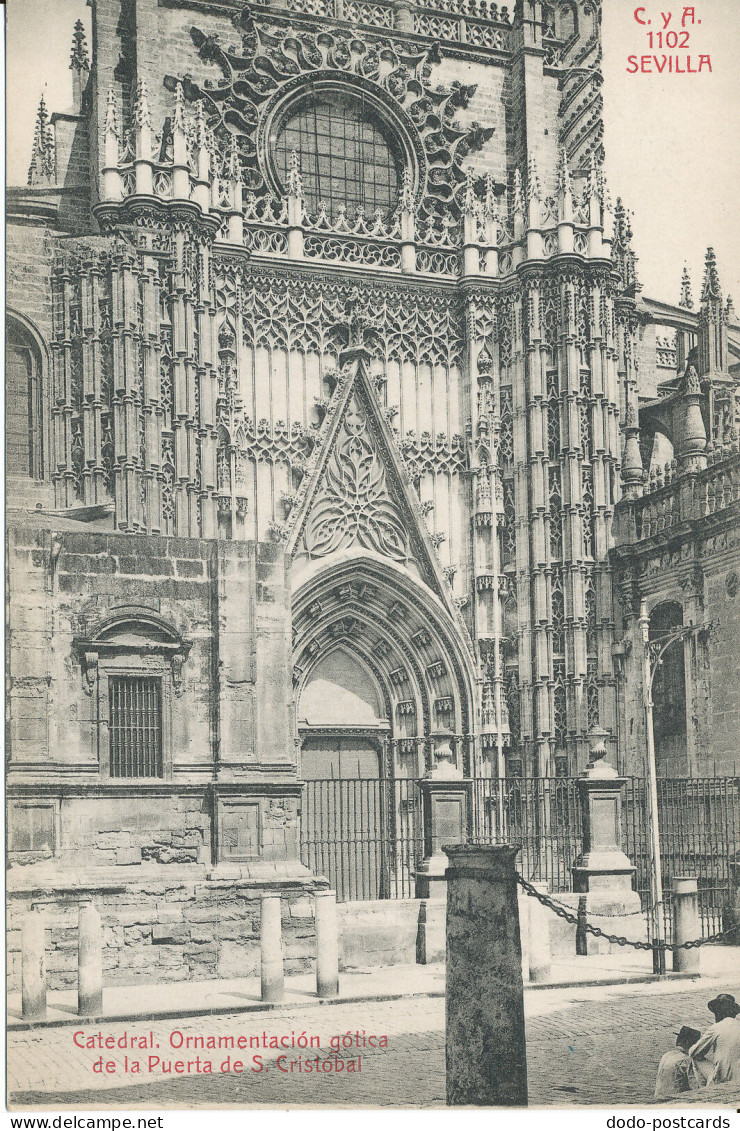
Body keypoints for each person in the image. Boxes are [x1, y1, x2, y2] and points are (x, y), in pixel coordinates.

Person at [689, 993, 740, 1086]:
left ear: (718, 1012)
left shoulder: (716, 1028)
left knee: (695, 1059)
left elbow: (694, 1052)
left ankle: (707, 1089)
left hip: (725, 1078)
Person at [655, 1026, 702, 1099]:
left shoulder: (666, 1055)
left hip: (659, 1096)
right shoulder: (686, 1060)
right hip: (674, 1099)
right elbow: (694, 1086)